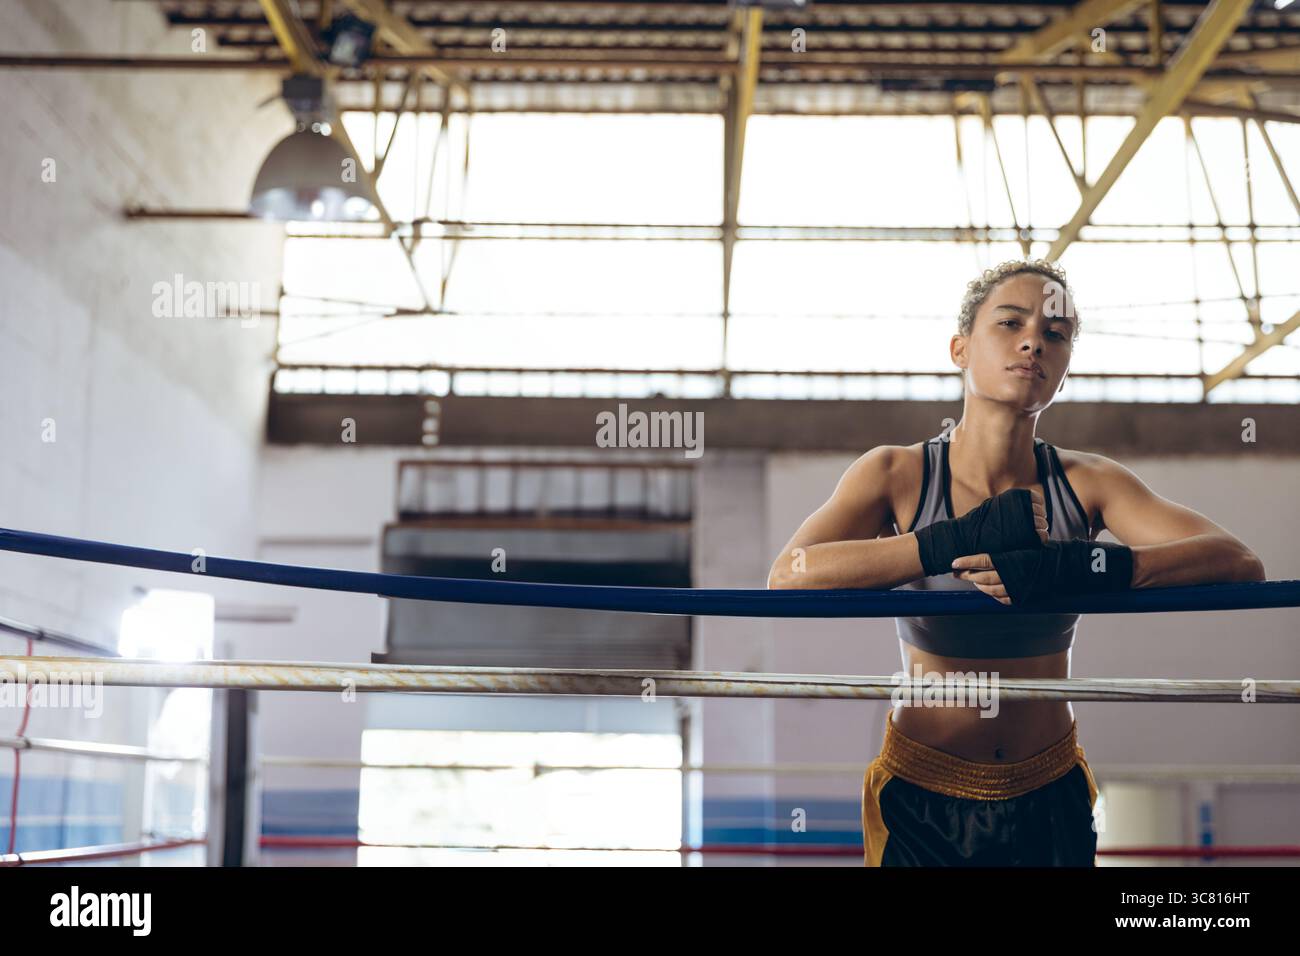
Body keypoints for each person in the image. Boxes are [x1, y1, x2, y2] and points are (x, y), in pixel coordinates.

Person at [767, 259, 1266, 866]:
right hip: (922, 792)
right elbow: (789, 572)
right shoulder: (897, 473)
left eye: (1056, 334)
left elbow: (1238, 561)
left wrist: (1086, 567)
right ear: (960, 348)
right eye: (1010, 323)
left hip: (1049, 786)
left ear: (1063, 369)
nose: (1034, 340)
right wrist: (944, 541)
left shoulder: (1087, 483)